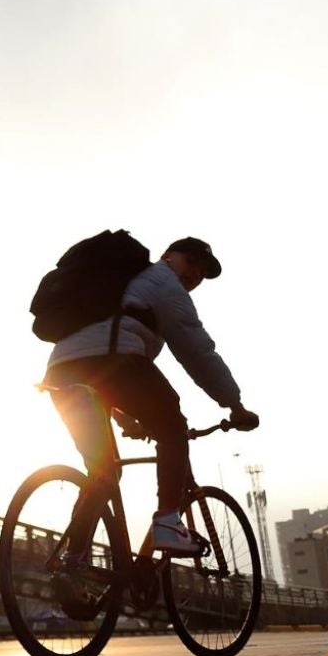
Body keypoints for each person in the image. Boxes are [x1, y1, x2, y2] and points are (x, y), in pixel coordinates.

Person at [43, 236, 260, 555]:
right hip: (111, 361)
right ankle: (168, 522)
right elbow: (197, 351)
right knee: (172, 425)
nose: (195, 273)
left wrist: (124, 416)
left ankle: (71, 565)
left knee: (104, 472)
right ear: (168, 256)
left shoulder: (125, 288)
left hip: (62, 372)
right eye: (191, 262)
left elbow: (100, 372)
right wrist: (235, 404)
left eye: (202, 271)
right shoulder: (162, 281)